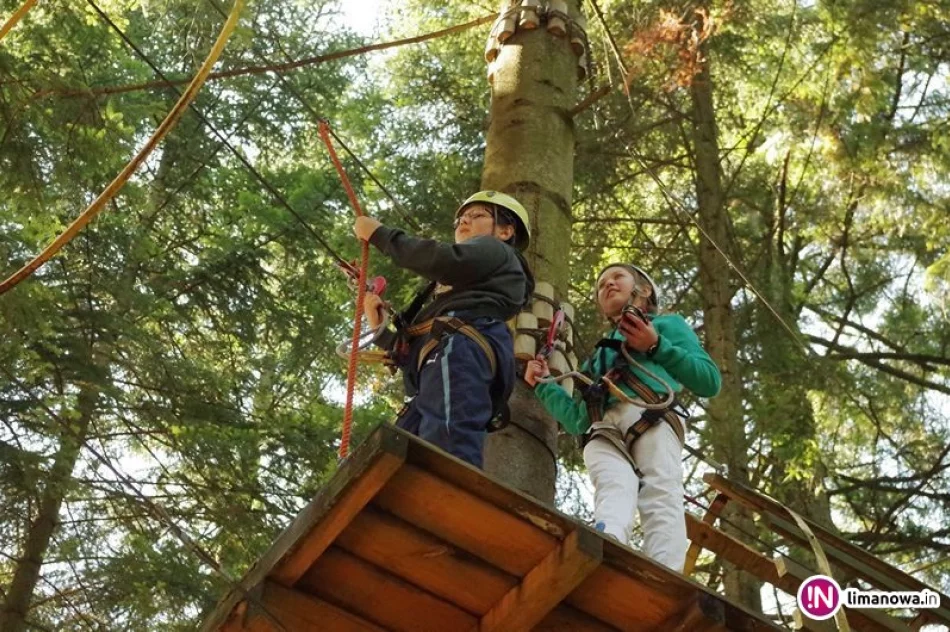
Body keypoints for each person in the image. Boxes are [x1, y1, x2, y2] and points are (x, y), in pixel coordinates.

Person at [525, 263, 720, 571]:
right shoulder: (598, 359)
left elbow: (709, 381)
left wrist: (655, 345)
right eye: (602, 284)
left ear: (643, 290)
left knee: (660, 491)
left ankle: (665, 572)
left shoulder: (668, 326)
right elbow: (578, 419)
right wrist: (544, 386)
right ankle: (607, 548)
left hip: (650, 415)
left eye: (617, 277)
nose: (608, 284)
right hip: (603, 430)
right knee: (613, 487)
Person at [353, 190, 534, 468]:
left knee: (446, 450)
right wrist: (382, 331)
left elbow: (444, 260)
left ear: (505, 231)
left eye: (478, 215)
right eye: (461, 217)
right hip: (442, 364)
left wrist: (381, 235)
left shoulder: (495, 250)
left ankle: (451, 500)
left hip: (460, 351)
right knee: (399, 461)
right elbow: (414, 358)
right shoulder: (456, 301)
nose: (464, 220)